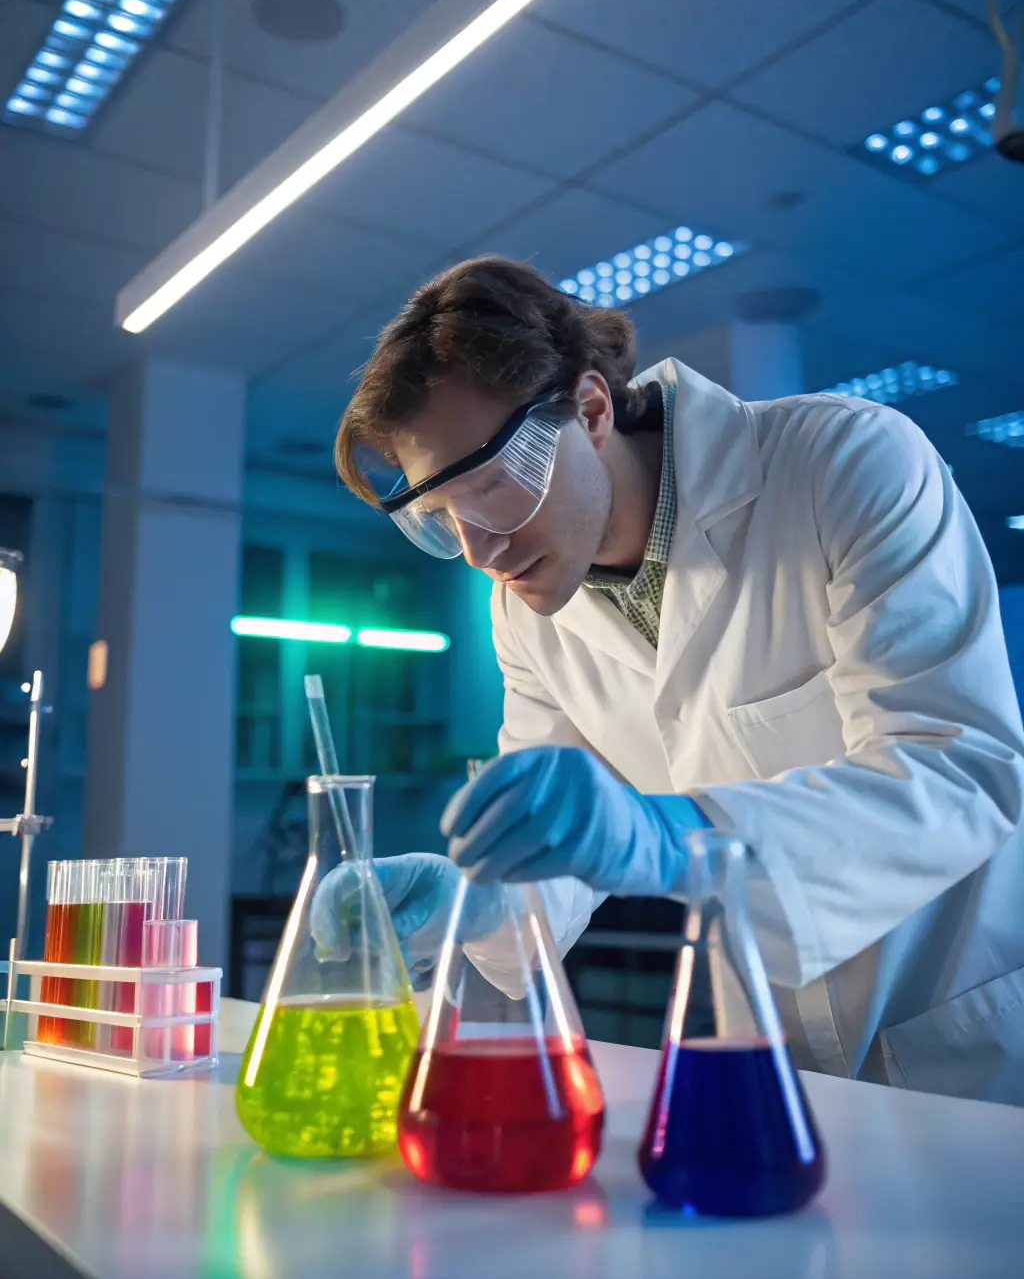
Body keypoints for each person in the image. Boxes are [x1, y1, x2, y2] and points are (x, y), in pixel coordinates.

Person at [325, 254, 1024, 1105]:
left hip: (966, 1036)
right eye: (444, 521)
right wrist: (468, 904)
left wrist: (671, 835)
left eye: (493, 490)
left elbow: (961, 772)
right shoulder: (523, 615)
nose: (482, 551)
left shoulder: (846, 461)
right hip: (776, 1055)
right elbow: (558, 853)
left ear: (588, 409)